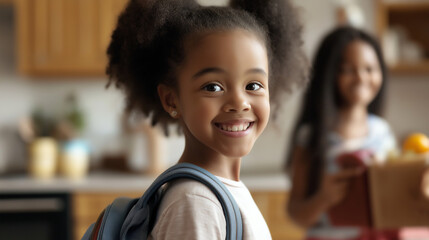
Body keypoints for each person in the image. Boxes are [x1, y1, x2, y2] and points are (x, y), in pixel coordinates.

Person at [106, 0, 308, 239]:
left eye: (253, 85)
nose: (239, 102)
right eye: (213, 87)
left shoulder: (216, 193)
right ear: (172, 100)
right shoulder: (196, 202)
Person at [286, 26, 397, 239]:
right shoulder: (311, 138)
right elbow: (296, 215)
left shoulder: (383, 133)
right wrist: (325, 197)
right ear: (328, 74)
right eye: (347, 69)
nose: (361, 77)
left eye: (370, 69)